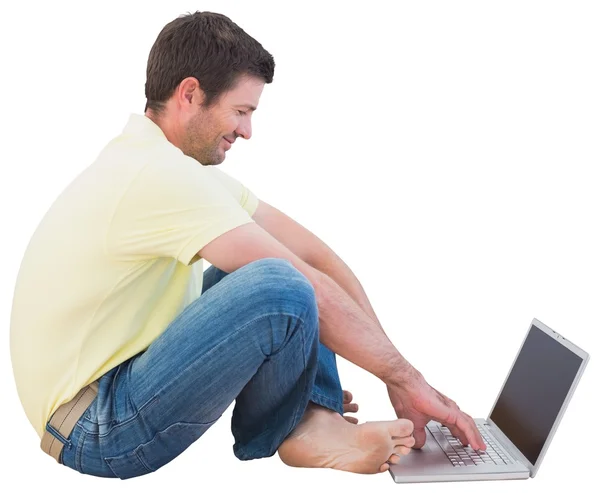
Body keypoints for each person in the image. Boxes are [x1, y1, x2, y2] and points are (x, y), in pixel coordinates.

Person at [9, 11, 486, 480]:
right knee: (280, 282)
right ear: (190, 93)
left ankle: (311, 418)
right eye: (241, 111)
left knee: (280, 271)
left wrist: (397, 379)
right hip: (95, 429)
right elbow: (303, 284)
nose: (246, 131)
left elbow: (318, 258)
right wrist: (409, 382)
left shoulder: (167, 167)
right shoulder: (156, 178)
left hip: (110, 392)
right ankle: (300, 428)